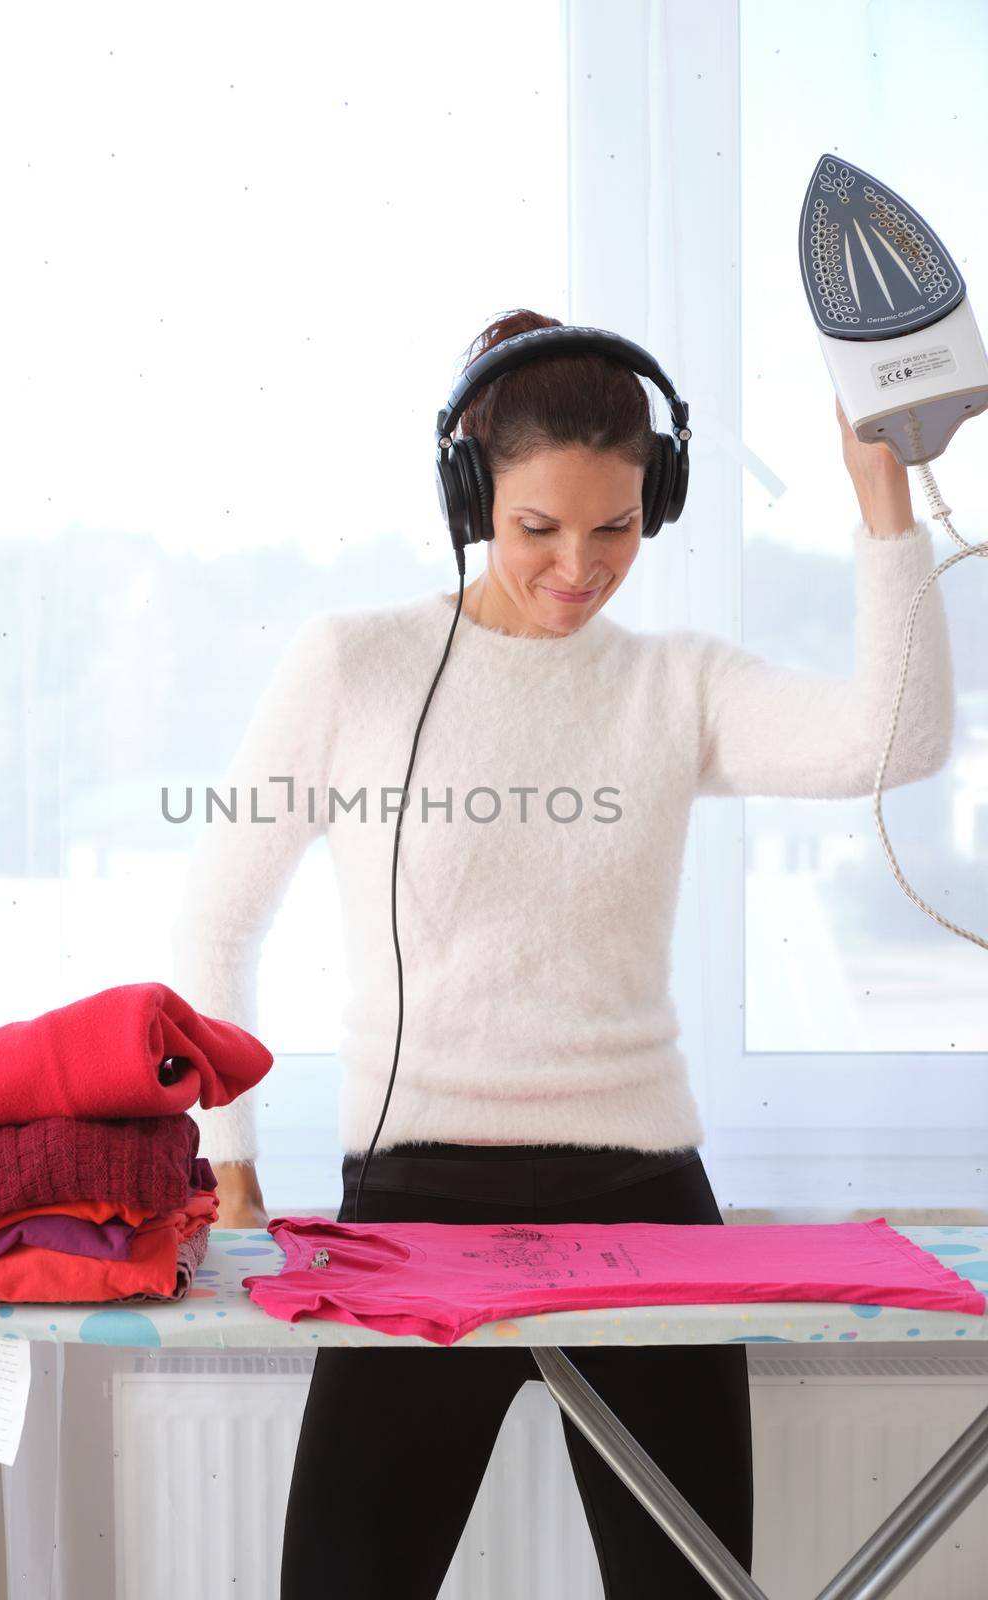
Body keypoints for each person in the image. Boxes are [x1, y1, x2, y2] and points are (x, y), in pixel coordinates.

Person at [172, 308, 955, 1599]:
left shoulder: (675, 686)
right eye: (539, 528)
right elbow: (215, 922)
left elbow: (899, 741)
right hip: (414, 1205)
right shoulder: (355, 668)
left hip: (644, 1199)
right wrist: (233, 1171)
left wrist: (883, 499)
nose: (579, 570)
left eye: (618, 529)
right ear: (471, 493)